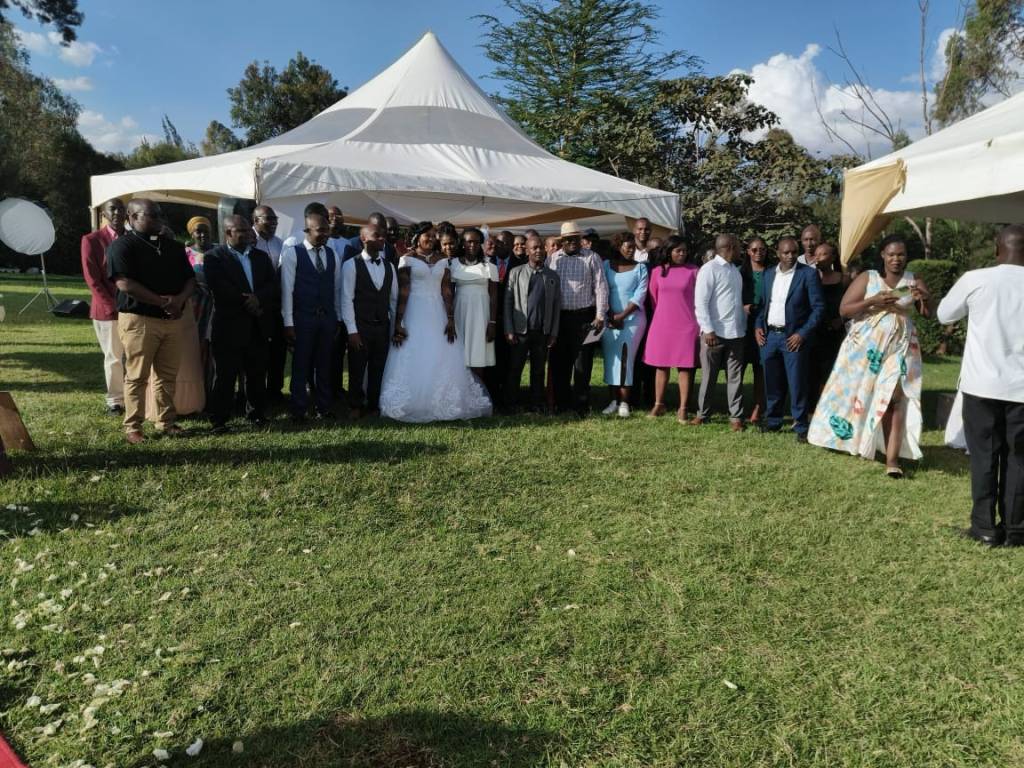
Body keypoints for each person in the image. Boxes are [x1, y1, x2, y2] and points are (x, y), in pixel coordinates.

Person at [807, 234, 932, 476]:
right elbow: (845, 309)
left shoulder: (914, 279)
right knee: (858, 393)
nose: (896, 259)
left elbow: (927, 313)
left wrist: (924, 298)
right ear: (883, 255)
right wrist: (873, 300)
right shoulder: (869, 277)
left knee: (896, 396)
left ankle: (892, 461)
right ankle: (854, 439)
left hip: (900, 346)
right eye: (891, 254)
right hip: (865, 346)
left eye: (901, 254)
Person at [937, 224, 1024, 546]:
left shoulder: (976, 279)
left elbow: (945, 314)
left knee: (984, 456)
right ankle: (1016, 530)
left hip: (982, 386)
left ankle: (984, 528)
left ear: (997, 248)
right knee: (1019, 459)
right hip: (1021, 388)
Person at [379, 223, 492, 422]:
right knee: (415, 352)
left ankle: (443, 401)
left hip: (437, 312)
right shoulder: (407, 259)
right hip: (414, 311)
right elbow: (403, 292)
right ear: (417, 238)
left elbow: (447, 291)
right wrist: (399, 322)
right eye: (427, 236)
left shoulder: (442, 260)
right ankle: (413, 402)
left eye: (433, 236)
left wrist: (450, 319)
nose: (431, 239)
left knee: (441, 351)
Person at [107, 199, 196, 444]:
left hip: (172, 320)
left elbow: (190, 280)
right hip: (140, 319)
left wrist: (179, 300)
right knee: (137, 376)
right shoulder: (122, 246)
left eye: (160, 215)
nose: (159, 219)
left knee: (167, 376)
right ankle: (133, 427)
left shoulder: (173, 247)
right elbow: (124, 283)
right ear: (132, 217)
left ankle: (166, 421)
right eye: (152, 215)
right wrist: (162, 302)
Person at [203, 215, 278, 432]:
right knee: (225, 375)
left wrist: (258, 298)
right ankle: (219, 419)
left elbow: (272, 284)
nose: (248, 234)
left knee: (256, 373)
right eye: (242, 231)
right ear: (228, 233)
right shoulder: (214, 257)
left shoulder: (260, 256)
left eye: (248, 230)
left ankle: (256, 414)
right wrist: (248, 301)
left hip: (257, 325)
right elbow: (219, 287)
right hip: (229, 325)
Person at [754, 237, 825, 441]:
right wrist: (758, 326)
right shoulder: (768, 274)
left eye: (794, 252)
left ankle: (801, 426)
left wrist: (802, 333)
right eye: (786, 252)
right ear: (778, 253)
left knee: (797, 384)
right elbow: (762, 305)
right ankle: (773, 421)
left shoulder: (808, 274)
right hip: (769, 337)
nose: (791, 256)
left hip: (793, 337)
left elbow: (818, 308)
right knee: (772, 382)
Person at [280, 212, 343, 422]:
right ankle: (298, 409)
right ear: (307, 230)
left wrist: (337, 318)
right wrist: (288, 323)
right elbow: (287, 290)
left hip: (326, 319)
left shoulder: (332, 254)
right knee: (301, 365)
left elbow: (336, 288)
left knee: (324, 364)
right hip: (302, 319)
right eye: (320, 230)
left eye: (327, 230)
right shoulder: (293, 253)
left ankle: (323, 407)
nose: (325, 234)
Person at [548, 221, 609, 416]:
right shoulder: (553, 259)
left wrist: (600, 315)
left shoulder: (592, 257)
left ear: (580, 239)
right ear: (562, 241)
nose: (572, 242)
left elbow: (601, 287)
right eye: (568, 239)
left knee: (583, 362)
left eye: (575, 238)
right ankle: (562, 403)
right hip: (560, 318)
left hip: (585, 318)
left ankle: (581, 404)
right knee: (560, 361)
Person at [342, 224, 398, 418]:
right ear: (364, 238)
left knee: (378, 367)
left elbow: (393, 300)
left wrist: (394, 327)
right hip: (361, 326)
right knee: (357, 367)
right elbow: (346, 299)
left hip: (382, 326)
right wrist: (352, 331)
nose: (382, 238)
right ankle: (355, 404)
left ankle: (373, 405)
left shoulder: (389, 266)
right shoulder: (351, 265)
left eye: (383, 236)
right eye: (377, 235)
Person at [692, 233, 746, 430]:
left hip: (736, 332)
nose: (740, 250)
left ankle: (736, 417)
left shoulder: (735, 271)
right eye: (738, 246)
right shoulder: (709, 269)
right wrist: (708, 330)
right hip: (714, 333)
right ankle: (703, 414)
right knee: (709, 377)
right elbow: (700, 302)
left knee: (735, 377)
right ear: (730, 247)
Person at [644, 236, 700, 423]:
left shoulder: (694, 271)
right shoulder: (657, 272)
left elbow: (699, 298)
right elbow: (654, 300)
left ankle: (683, 408)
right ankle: (658, 404)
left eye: (684, 250)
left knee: (685, 367)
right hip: (662, 325)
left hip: (687, 326)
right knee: (661, 366)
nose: (682, 254)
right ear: (669, 252)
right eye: (678, 250)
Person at [505, 235, 561, 413]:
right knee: (515, 369)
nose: (538, 251)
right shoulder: (516, 272)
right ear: (527, 251)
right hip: (520, 331)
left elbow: (556, 306)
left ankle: (536, 403)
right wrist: (509, 329)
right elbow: (508, 303)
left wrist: (553, 332)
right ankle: (511, 404)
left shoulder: (552, 276)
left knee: (538, 370)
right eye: (534, 248)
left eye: (540, 248)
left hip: (542, 332)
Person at [81, 197, 126, 414]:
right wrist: (112, 306)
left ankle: (136, 398)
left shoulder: (134, 238)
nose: (117, 213)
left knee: (135, 357)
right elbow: (92, 280)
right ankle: (116, 401)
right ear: (104, 214)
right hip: (108, 311)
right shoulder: (92, 240)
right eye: (112, 209)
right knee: (114, 357)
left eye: (121, 209)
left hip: (135, 308)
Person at [600, 233, 649, 417]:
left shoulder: (641, 268)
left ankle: (624, 402)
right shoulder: (606, 265)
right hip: (608, 319)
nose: (631, 250)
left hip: (632, 321)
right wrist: (610, 315)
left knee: (626, 359)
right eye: (628, 247)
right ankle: (613, 401)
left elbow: (639, 296)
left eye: (633, 247)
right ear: (618, 247)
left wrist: (621, 316)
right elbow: (601, 290)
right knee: (611, 360)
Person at [450, 227, 499, 385]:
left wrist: (492, 322)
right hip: (460, 314)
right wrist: (449, 319)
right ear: (462, 243)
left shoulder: (489, 266)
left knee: (478, 356)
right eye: (469, 241)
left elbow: (494, 296)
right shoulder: (453, 264)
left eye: (476, 242)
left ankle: (477, 393)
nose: (473, 245)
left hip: (481, 315)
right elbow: (448, 295)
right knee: (459, 356)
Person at [808, 242, 848, 412]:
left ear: (833, 257)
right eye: (816, 255)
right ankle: (812, 409)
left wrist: (841, 319)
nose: (818, 258)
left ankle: (831, 407)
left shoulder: (844, 279)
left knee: (832, 371)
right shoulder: (810, 277)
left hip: (836, 333)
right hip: (814, 331)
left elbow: (853, 304)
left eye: (823, 254)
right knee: (812, 372)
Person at [253, 206, 286, 404]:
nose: (273, 223)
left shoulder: (280, 243)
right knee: (258, 351)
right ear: (256, 220)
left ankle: (275, 391)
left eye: (275, 219)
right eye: (269, 219)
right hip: (255, 304)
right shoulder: (249, 241)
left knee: (278, 350)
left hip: (276, 305)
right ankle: (256, 392)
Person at [740, 237, 769, 424]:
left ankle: (758, 406)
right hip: (742, 324)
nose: (758, 252)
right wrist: (742, 307)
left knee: (760, 367)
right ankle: (737, 406)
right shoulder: (739, 272)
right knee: (739, 367)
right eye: (754, 249)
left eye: (762, 249)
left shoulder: (772, 272)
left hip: (764, 324)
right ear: (748, 251)